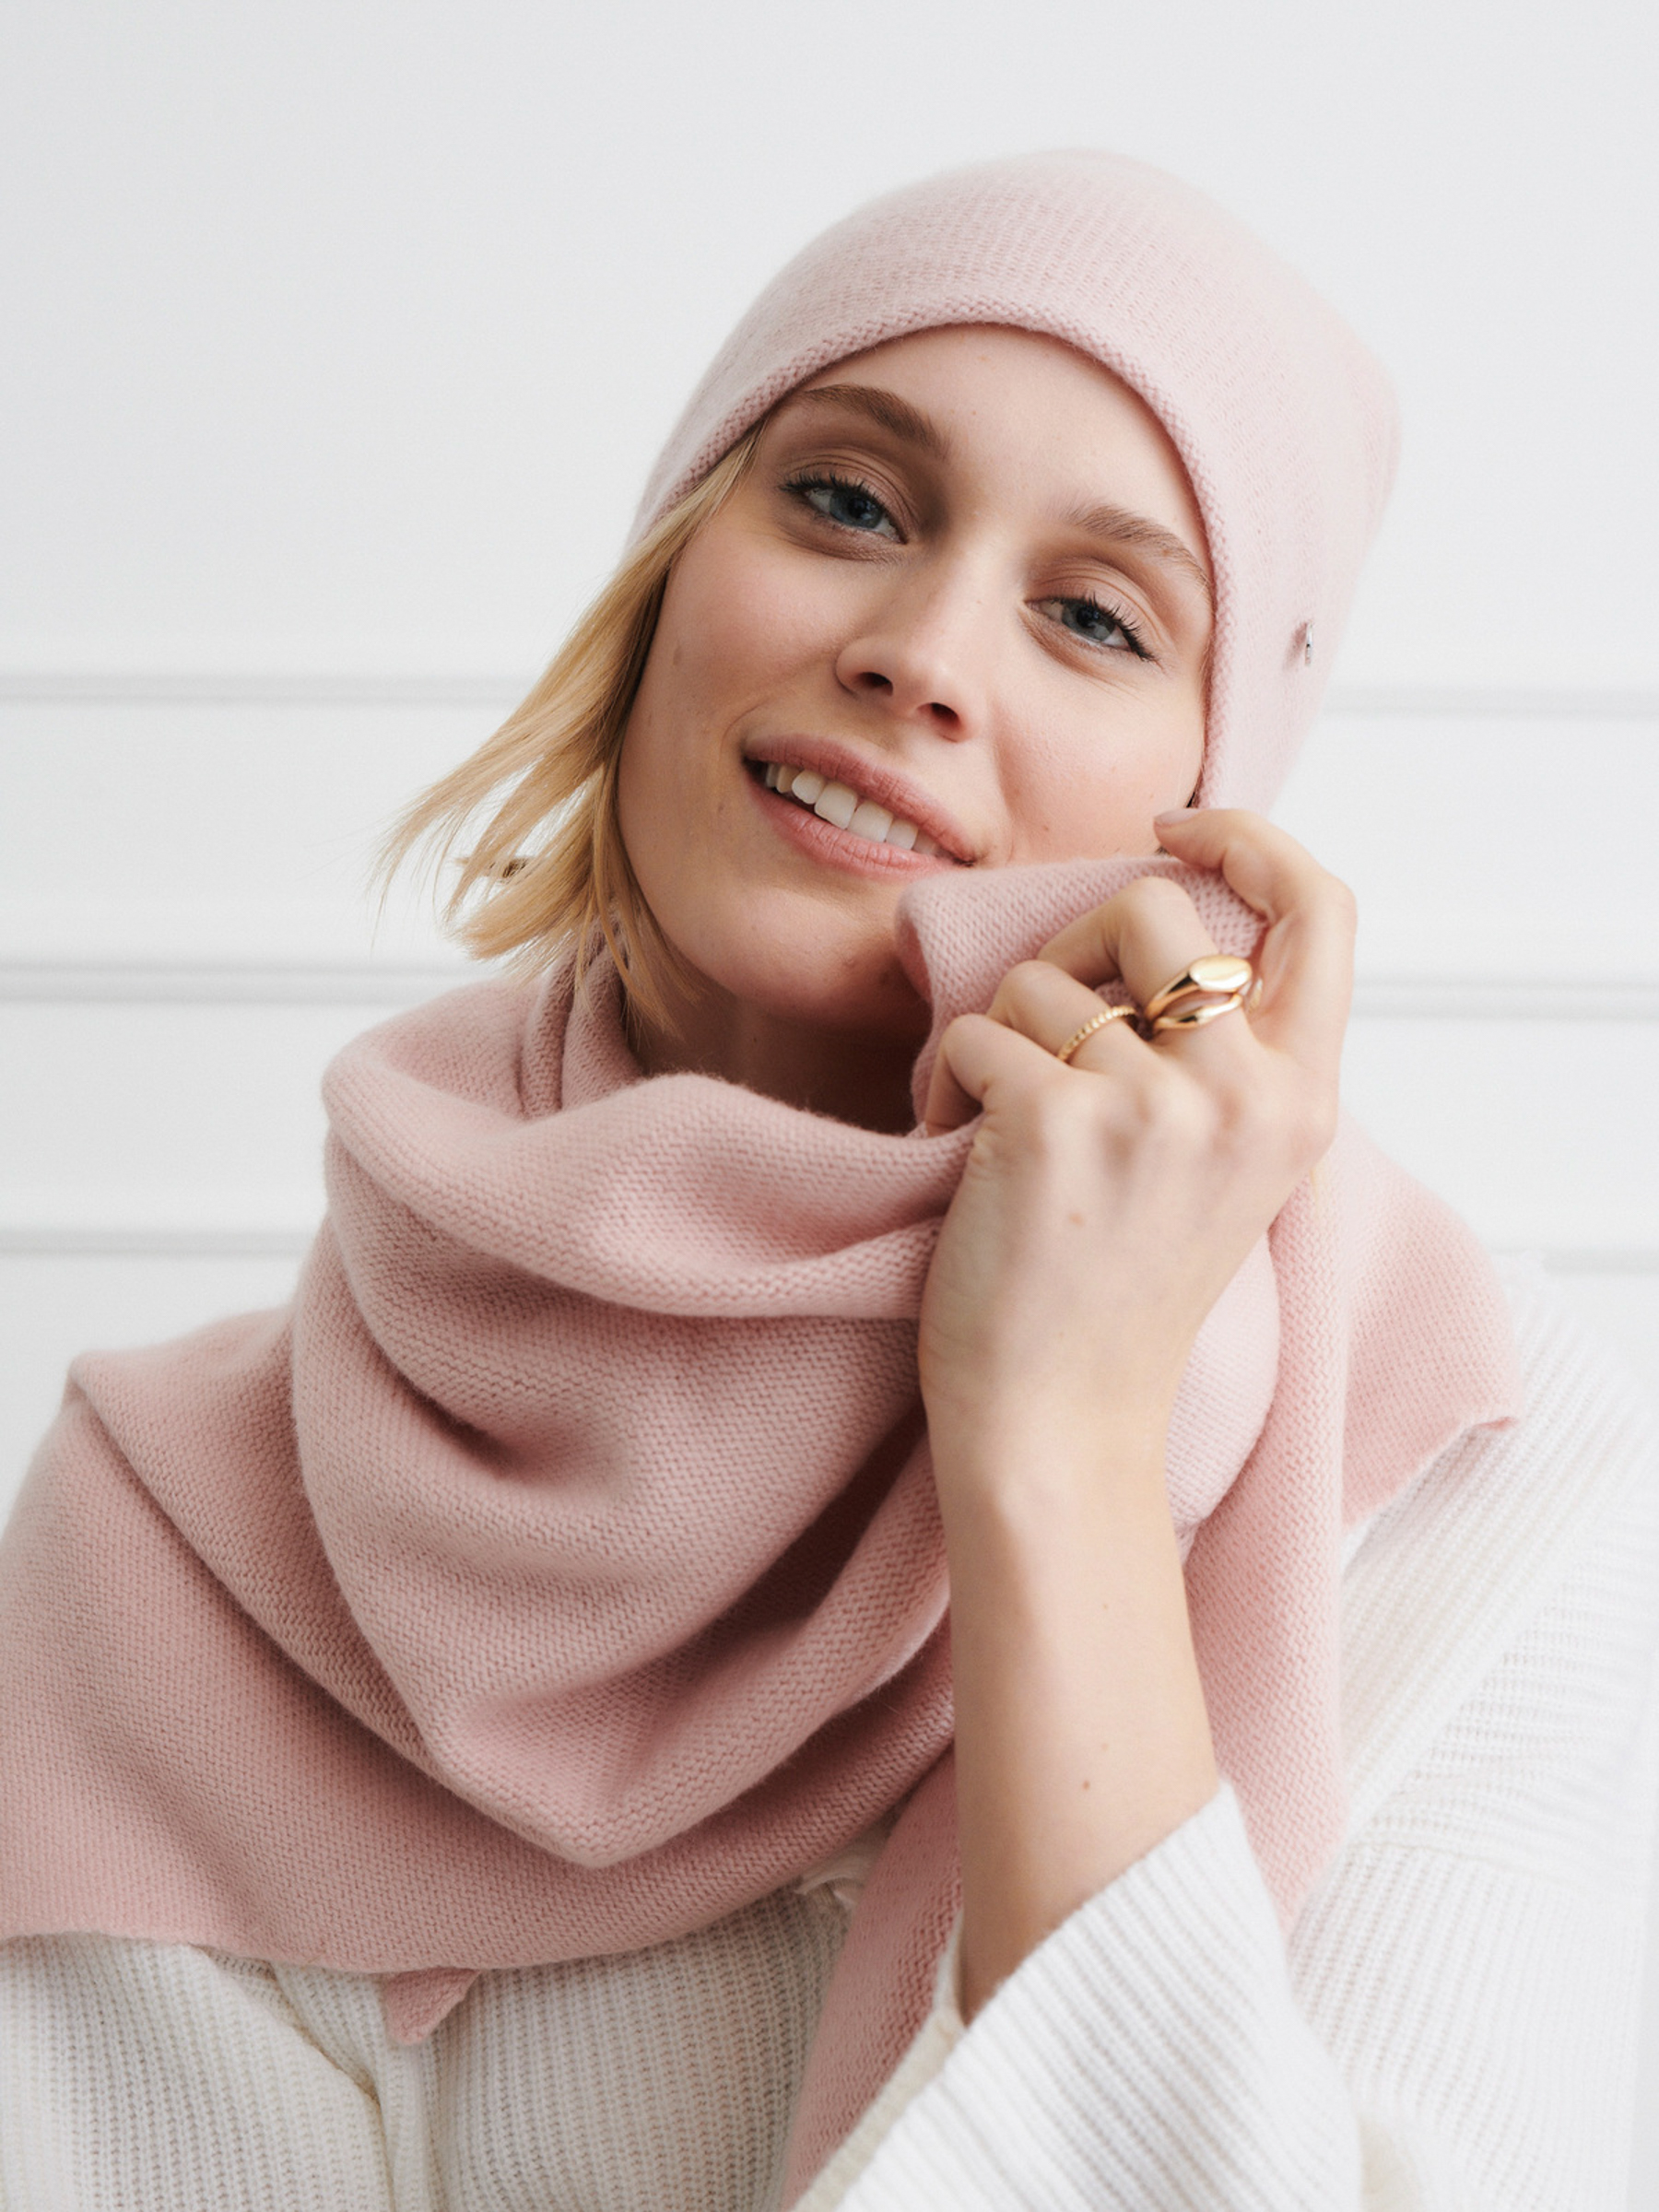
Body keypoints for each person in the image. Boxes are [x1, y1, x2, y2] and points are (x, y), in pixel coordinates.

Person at [0, 150, 1653, 2212]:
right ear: (668, 577)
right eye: (850, 501)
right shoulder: (175, 1535)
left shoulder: (1477, 1470)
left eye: (1094, 615)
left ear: (1211, 806)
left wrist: (1062, 1443)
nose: (922, 650)